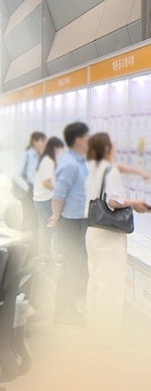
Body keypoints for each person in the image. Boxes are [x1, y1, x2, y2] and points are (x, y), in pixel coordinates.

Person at [85, 133, 149, 346]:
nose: (116, 148)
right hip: (108, 236)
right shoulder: (109, 170)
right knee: (109, 287)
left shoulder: (94, 168)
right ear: (106, 148)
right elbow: (113, 201)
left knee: (96, 283)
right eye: (113, 145)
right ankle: (108, 335)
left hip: (93, 232)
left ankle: (94, 330)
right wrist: (135, 203)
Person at [48, 122, 90, 327]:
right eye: (87, 136)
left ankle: (70, 308)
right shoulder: (69, 164)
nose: (90, 140)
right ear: (78, 139)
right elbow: (58, 195)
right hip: (71, 223)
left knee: (77, 268)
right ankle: (62, 315)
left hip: (80, 221)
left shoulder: (80, 161)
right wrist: (56, 217)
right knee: (70, 268)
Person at [33, 137, 65, 260]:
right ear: (55, 148)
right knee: (54, 226)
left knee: (43, 228)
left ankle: (45, 255)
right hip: (46, 199)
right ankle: (59, 255)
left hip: (38, 199)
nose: (60, 152)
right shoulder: (48, 161)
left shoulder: (42, 160)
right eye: (59, 149)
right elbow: (46, 182)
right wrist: (58, 191)